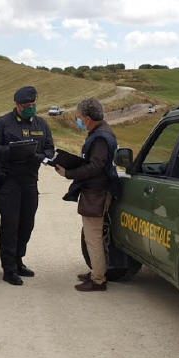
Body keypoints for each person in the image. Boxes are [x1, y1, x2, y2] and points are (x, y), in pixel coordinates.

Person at [0, 86, 55, 286]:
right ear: (17, 105)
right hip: (9, 180)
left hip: (30, 180)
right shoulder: (2, 123)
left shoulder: (41, 123)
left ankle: (18, 261)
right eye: (27, 106)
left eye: (33, 105)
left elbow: (50, 149)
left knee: (27, 224)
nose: (31, 108)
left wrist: (41, 156)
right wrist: (13, 151)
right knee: (10, 225)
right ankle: (8, 269)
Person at [56, 98, 120, 292]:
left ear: (88, 118)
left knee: (93, 238)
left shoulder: (100, 137)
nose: (78, 121)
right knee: (92, 236)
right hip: (96, 191)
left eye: (79, 118)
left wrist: (69, 173)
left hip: (96, 192)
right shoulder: (103, 132)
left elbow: (95, 166)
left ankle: (98, 279)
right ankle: (95, 272)